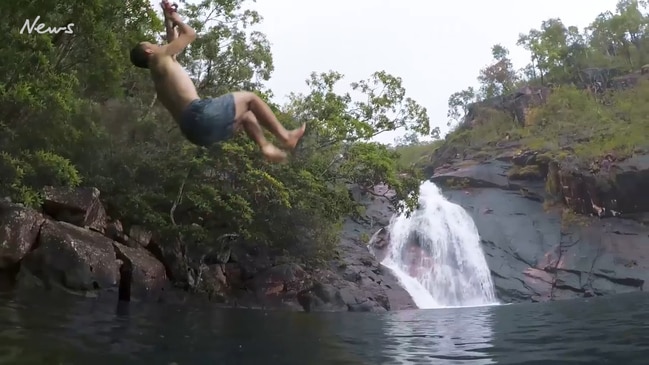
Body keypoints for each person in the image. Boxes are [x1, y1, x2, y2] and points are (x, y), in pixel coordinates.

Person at [128, 1, 305, 162]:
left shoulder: (160, 75)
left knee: (246, 115)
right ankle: (285, 137)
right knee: (250, 99)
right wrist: (177, 19)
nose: (157, 44)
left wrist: (168, 20)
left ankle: (265, 146)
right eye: (152, 43)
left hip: (193, 133)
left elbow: (172, 43)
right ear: (149, 52)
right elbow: (190, 34)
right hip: (199, 114)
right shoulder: (160, 56)